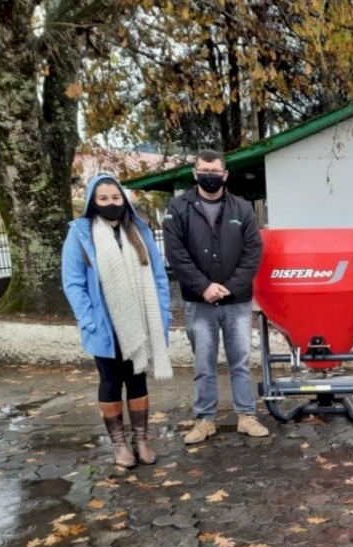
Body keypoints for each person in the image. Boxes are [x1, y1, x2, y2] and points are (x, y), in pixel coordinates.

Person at [62, 174, 173, 468]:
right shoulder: (81, 234)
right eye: (103, 199)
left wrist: (163, 314)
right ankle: (120, 446)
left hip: (140, 318)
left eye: (115, 198)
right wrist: (88, 320)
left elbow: (159, 276)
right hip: (104, 324)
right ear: (92, 202)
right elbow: (73, 283)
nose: (110, 203)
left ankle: (141, 441)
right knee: (111, 382)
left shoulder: (139, 229)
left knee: (138, 379)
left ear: (123, 199)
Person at [163, 149, 268, 443]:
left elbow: (253, 253)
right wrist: (204, 286)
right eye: (204, 171)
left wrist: (231, 286)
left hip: (237, 301)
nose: (210, 176)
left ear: (225, 175)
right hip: (199, 301)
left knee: (240, 361)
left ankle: (246, 416)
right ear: (195, 173)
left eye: (215, 172)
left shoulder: (242, 209)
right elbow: (176, 254)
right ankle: (204, 420)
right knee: (204, 363)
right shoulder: (179, 207)